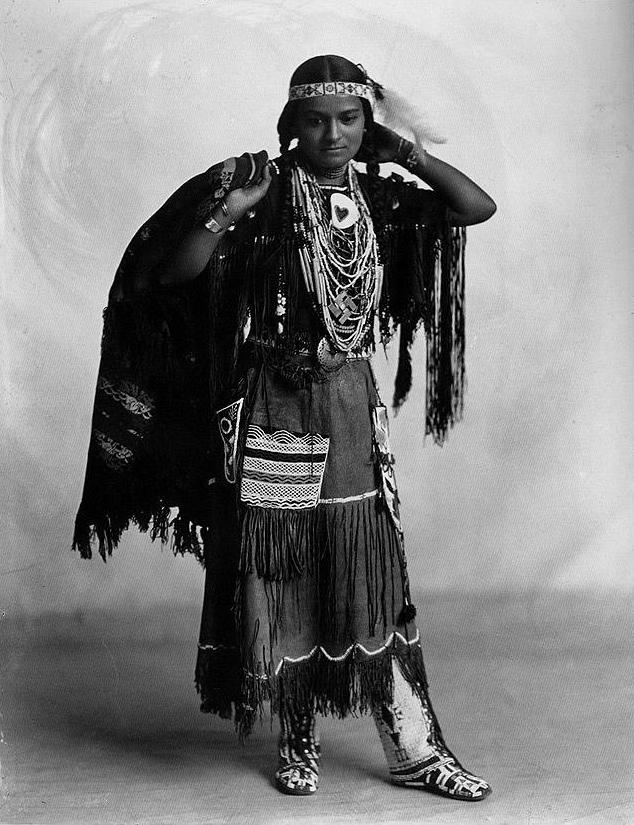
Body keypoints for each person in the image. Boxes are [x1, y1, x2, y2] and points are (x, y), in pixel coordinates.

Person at [74, 55, 496, 800]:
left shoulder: (377, 198)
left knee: (369, 564)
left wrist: (413, 154)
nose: (332, 134)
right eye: (315, 119)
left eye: (350, 118)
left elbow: (474, 207)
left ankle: (413, 745)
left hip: (349, 402)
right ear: (289, 124)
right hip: (274, 402)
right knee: (283, 563)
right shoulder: (265, 196)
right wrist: (227, 213)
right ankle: (297, 733)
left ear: (369, 125)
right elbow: (178, 273)